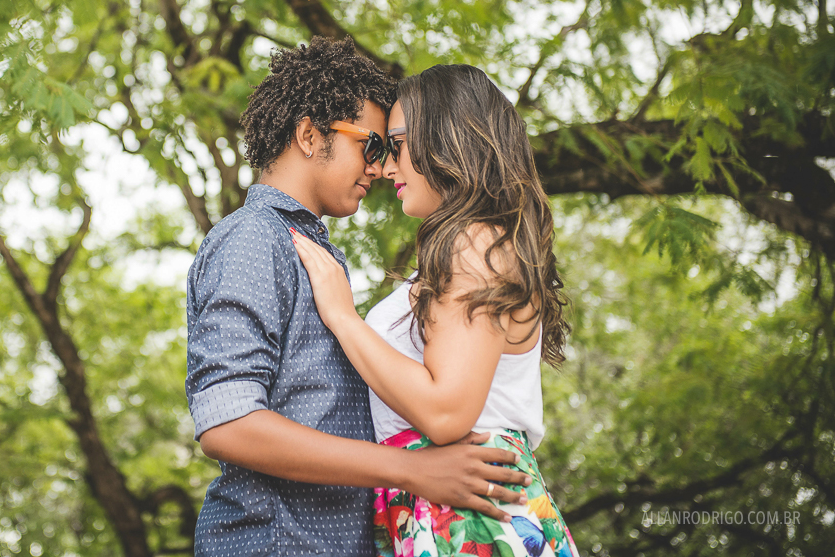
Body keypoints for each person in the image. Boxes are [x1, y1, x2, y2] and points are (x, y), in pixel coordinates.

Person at [186, 40, 533, 557]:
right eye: (372, 146)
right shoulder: (254, 239)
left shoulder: (317, 255)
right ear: (309, 135)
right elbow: (227, 423)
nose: (380, 166)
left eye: (390, 149)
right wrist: (408, 469)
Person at [292, 64, 580, 557]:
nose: (386, 168)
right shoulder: (475, 246)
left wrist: (342, 317)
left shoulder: (476, 244)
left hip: (470, 515)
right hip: (439, 504)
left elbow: (446, 412)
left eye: (397, 146)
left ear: (447, 139)